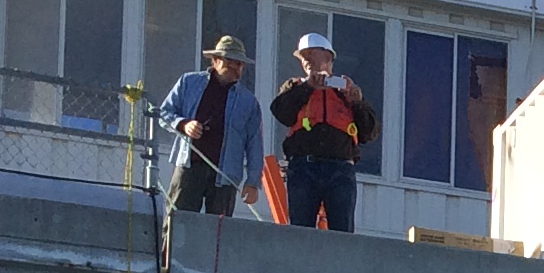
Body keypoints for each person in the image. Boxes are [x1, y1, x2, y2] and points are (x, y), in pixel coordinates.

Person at [269, 32, 378, 231]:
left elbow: (369, 132)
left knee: (341, 233)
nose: (306, 59)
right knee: (301, 232)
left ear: (328, 57)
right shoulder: (295, 87)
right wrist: (308, 87)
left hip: (340, 169)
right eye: (303, 56)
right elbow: (282, 113)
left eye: (311, 54)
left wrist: (358, 103)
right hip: (303, 167)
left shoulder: (345, 92)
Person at [154, 34, 263, 234]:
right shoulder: (188, 82)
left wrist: (253, 182)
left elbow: (255, 145)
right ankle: (169, 264)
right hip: (189, 166)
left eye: (240, 64)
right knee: (177, 224)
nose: (236, 67)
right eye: (230, 61)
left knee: (219, 232)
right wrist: (184, 124)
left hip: (225, 176)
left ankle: (211, 266)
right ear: (215, 60)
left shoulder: (249, 102)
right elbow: (164, 113)